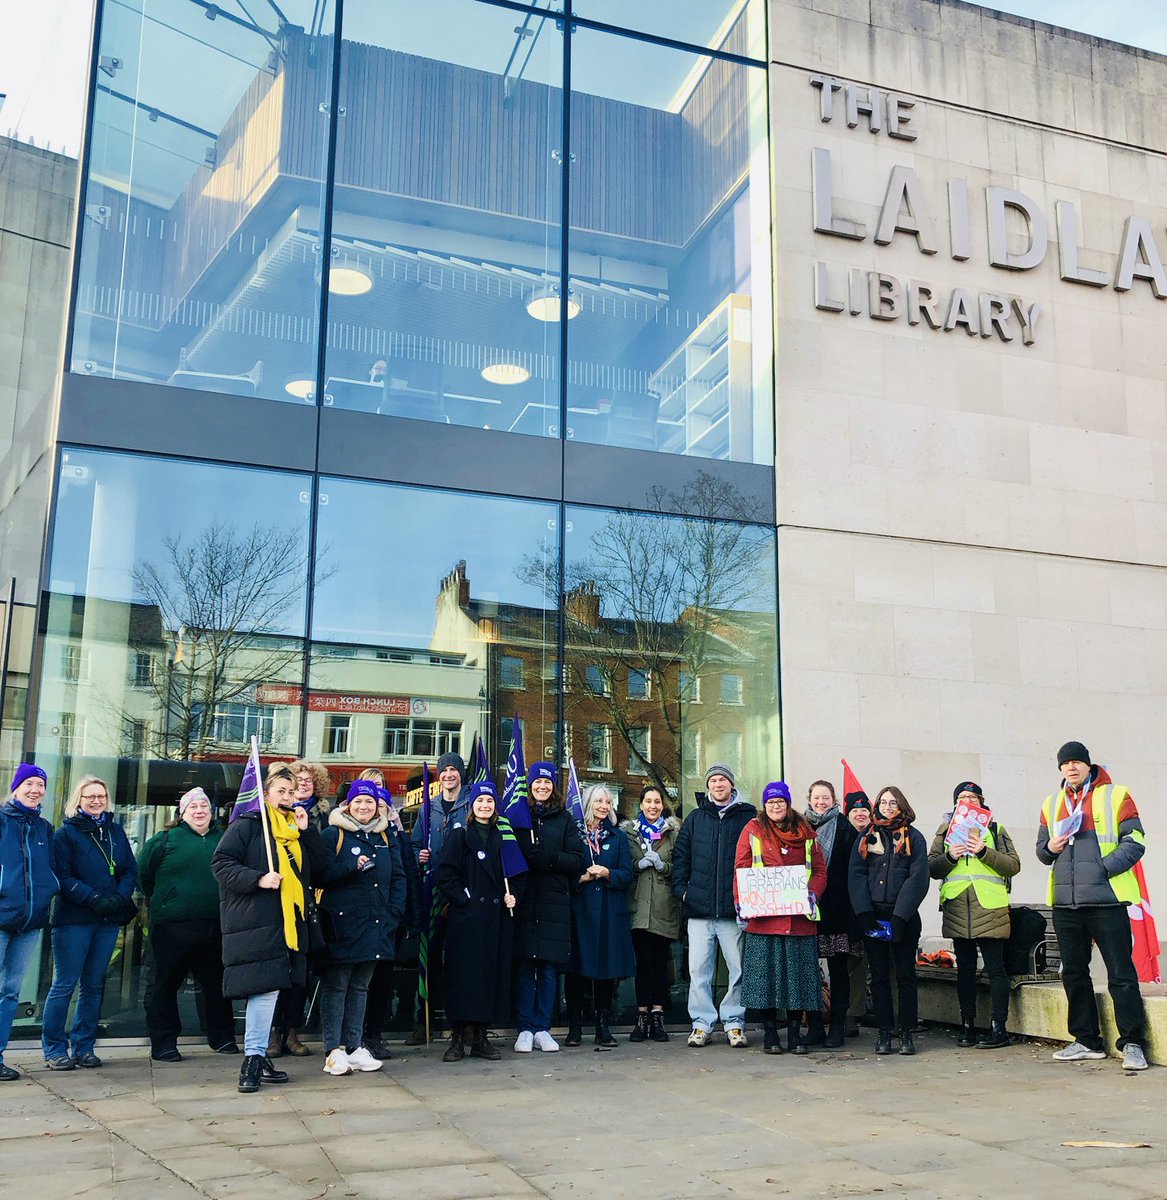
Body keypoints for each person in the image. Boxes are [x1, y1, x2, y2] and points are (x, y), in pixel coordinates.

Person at [212, 761, 328, 1094]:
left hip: (291, 923)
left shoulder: (296, 828)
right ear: (265, 793)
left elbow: (319, 872)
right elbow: (221, 864)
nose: (288, 797)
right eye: (281, 791)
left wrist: (308, 833)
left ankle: (259, 1055)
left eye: (292, 792)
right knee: (263, 991)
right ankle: (251, 1060)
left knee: (273, 989)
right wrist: (258, 879)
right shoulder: (249, 825)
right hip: (259, 921)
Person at [1037, 741, 1149, 1071]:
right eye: (1065, 763)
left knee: (1121, 974)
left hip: (1107, 899)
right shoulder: (1051, 803)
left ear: (1088, 765)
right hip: (1066, 903)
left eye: (1076, 762)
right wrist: (1051, 846)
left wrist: (1103, 868)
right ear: (1060, 769)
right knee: (1073, 972)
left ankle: (1132, 1043)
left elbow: (1136, 841)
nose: (1071, 768)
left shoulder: (1116, 795)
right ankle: (1086, 1040)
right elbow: (1042, 853)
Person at [42, 775, 138, 1071]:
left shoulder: (115, 831)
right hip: (74, 920)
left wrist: (120, 898)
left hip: (107, 919)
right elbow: (62, 875)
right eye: (89, 797)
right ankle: (55, 1049)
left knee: (94, 985)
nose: (96, 801)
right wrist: (93, 897)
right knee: (65, 984)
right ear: (78, 800)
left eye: (101, 796)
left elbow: (129, 870)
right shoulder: (66, 834)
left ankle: (84, 1046)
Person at [139, 786, 238, 1061]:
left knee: (217, 985)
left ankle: (221, 1037)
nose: (199, 811)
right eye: (193, 807)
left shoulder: (226, 838)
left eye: (203, 806)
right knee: (165, 985)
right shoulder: (164, 840)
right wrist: (168, 901)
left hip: (217, 925)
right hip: (172, 927)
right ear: (182, 813)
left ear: (211, 811)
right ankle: (164, 1043)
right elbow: (144, 875)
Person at [315, 780, 406, 1076]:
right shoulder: (332, 835)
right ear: (348, 805)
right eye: (358, 802)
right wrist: (351, 867)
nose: (364, 807)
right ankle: (333, 1050)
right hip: (342, 924)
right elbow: (321, 876)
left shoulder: (386, 837)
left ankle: (354, 1047)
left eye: (369, 802)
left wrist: (394, 911)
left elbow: (399, 878)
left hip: (377, 923)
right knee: (337, 985)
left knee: (360, 987)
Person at [734, 781, 827, 1054]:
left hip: (799, 920)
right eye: (771, 802)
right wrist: (741, 902)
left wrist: (813, 894)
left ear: (788, 804)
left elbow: (820, 870)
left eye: (780, 802)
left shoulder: (807, 833)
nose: (775, 806)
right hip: (765, 920)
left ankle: (796, 1035)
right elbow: (741, 868)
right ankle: (771, 1034)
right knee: (765, 981)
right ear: (765, 805)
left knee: (798, 980)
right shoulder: (752, 830)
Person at [928, 780, 1021, 1050]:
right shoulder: (944, 830)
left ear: (981, 802)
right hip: (958, 907)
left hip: (990, 907)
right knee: (965, 972)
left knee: (995, 970)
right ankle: (967, 1025)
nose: (967, 801)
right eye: (962, 797)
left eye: (973, 797)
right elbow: (932, 868)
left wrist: (983, 851)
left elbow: (1013, 865)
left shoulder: (995, 829)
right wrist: (950, 857)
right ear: (955, 803)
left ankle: (998, 1028)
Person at [434, 781, 521, 1062]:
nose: (485, 806)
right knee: (463, 977)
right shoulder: (460, 836)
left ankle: (481, 1037)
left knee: (488, 978)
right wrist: (464, 899)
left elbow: (515, 876)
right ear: (472, 806)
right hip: (467, 920)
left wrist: (513, 897)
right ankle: (458, 1038)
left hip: (495, 920)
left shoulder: (503, 838)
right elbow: (445, 873)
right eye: (480, 801)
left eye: (490, 801)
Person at [671, 763, 756, 1048]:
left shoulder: (749, 817)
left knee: (739, 969)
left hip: (733, 910)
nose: (718, 785)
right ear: (708, 786)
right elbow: (681, 858)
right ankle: (701, 1024)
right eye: (713, 781)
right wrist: (683, 892)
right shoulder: (695, 819)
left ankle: (734, 1023)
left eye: (723, 780)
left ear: (732, 784)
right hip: (699, 910)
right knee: (698, 971)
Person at [848, 786, 928, 1056]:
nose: (887, 806)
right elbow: (856, 875)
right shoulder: (866, 835)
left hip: (902, 916)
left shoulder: (913, 838)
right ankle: (884, 1032)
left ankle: (906, 1032)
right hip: (874, 916)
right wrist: (864, 913)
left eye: (893, 802)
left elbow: (918, 878)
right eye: (883, 802)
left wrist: (900, 917)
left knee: (906, 975)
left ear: (901, 805)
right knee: (879, 977)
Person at [513, 762, 585, 1053]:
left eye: (547, 783)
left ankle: (542, 1027)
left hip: (555, 901)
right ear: (529, 785)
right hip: (525, 900)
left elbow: (577, 860)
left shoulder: (564, 819)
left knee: (548, 969)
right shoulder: (518, 816)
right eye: (537, 782)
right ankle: (524, 1028)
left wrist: (550, 857)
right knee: (525, 966)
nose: (541, 787)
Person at [267, 758, 331, 1059]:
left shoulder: (311, 819)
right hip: (272, 909)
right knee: (274, 974)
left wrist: (306, 831)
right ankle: (272, 1033)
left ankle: (291, 1032)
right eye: (294, 784)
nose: (299, 788)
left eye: (306, 782)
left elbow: (319, 867)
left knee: (299, 975)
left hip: (303, 909)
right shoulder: (262, 821)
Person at [357, 770, 421, 1060]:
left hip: (389, 924)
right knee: (358, 982)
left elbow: (407, 880)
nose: (377, 811)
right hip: (360, 922)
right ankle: (354, 1035)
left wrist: (404, 915)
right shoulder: (350, 836)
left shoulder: (399, 840)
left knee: (382, 982)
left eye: (382, 807)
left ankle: (374, 1033)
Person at [565, 784, 635, 1051]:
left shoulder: (617, 837)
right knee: (576, 971)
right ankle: (574, 1028)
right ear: (588, 803)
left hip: (608, 912)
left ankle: (603, 1028)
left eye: (608, 802)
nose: (604, 806)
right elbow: (565, 869)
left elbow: (627, 875)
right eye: (599, 801)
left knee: (605, 972)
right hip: (580, 910)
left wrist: (608, 873)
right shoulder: (574, 834)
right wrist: (581, 877)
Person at [409, 750, 471, 1044]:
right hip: (432, 889)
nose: (448, 775)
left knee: (460, 957)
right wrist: (417, 855)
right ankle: (425, 1022)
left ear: (461, 774)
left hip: (460, 890)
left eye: (454, 770)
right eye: (444, 771)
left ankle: (462, 1022)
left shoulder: (472, 804)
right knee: (429, 956)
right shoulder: (427, 808)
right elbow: (414, 845)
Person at [0, 764, 58, 1081]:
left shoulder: (43, 828)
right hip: (1, 915)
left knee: (9, 992)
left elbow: (48, 869)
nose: (35, 789)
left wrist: (50, 890)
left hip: (30, 922)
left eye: (40, 784)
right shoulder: (2, 819)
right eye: (29, 783)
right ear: (16, 786)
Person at [621, 784, 680, 1043]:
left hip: (663, 907)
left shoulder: (672, 833)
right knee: (642, 965)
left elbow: (679, 867)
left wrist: (662, 865)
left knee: (659, 965)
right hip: (637, 908)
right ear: (641, 804)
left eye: (657, 802)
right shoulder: (629, 834)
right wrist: (638, 864)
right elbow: (623, 866)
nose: (653, 806)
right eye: (648, 801)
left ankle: (658, 1017)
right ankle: (641, 1017)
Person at [804, 779, 857, 1048]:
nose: (821, 802)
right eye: (816, 797)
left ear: (834, 800)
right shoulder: (799, 826)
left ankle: (837, 1027)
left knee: (838, 972)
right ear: (809, 798)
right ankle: (814, 1025)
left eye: (826, 798)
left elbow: (853, 870)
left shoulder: (845, 827)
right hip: (805, 911)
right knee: (808, 970)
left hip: (837, 910)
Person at [844, 792, 873, 1035]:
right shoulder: (843, 836)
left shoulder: (877, 836)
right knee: (849, 964)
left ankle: (857, 1014)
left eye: (864, 810)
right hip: (847, 909)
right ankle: (847, 1013)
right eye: (855, 811)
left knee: (870, 963)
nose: (860, 814)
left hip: (875, 908)